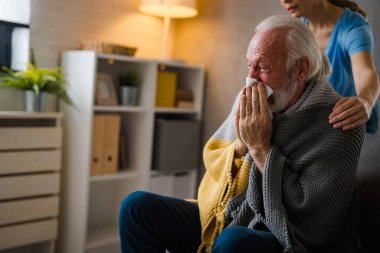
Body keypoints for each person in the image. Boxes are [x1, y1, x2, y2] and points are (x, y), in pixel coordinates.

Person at [119, 15, 365, 253]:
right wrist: (242, 144)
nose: (251, 79)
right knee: (135, 207)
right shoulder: (252, 99)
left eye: (263, 67)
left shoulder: (339, 122)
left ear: (300, 69)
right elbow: (215, 158)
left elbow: (314, 223)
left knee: (234, 240)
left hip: (287, 235)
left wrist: (260, 147)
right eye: (250, 65)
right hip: (234, 214)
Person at [279, 0, 380, 134]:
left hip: (353, 122)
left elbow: (365, 71)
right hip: (321, 124)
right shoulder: (298, 28)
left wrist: (365, 101)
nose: (285, 0)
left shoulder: (353, 26)